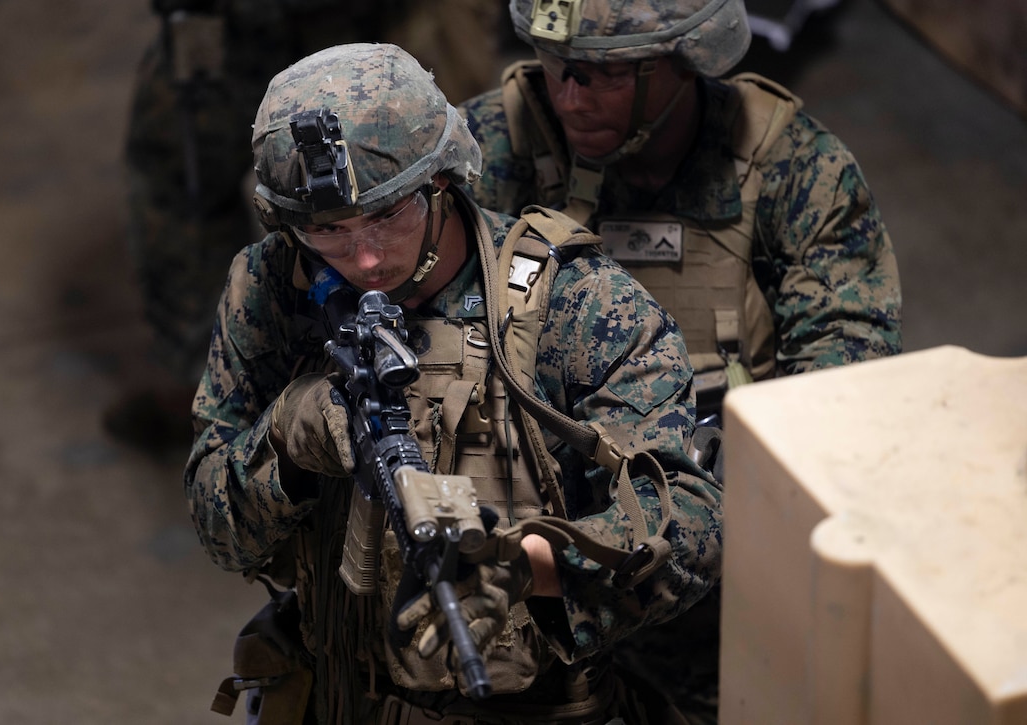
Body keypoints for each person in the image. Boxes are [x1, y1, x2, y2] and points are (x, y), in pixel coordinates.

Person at [185, 42, 724, 724]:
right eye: (328, 231)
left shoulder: (572, 305)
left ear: (443, 179)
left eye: (388, 214)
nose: (367, 257)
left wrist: (530, 564)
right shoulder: (269, 288)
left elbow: (694, 525)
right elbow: (216, 527)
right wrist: (286, 440)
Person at [456, 1, 904, 721]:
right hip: (523, 576)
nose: (568, 95)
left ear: (683, 56)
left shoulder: (790, 168)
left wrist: (738, 473)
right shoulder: (488, 149)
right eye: (555, 63)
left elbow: (851, 382)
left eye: (602, 74)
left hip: (714, 581)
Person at [108, 0, 508, 452]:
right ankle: (214, 382)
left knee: (422, 173)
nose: (364, 253)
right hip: (236, 22)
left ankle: (468, 371)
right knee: (181, 178)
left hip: (389, 16)